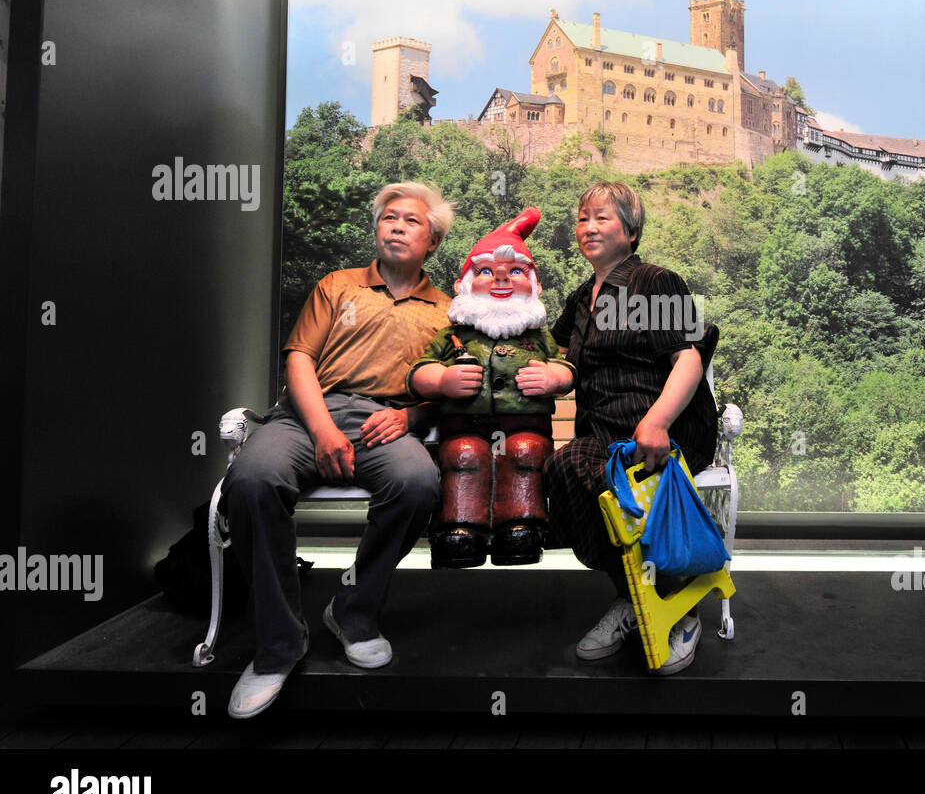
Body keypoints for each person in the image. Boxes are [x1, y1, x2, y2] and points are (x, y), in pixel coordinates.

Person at [222, 181, 454, 719]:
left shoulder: (447, 310)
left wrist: (410, 416)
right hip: (308, 415)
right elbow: (299, 358)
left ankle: (353, 610)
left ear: (434, 241)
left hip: (387, 422)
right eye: (388, 217)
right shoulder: (338, 285)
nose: (396, 226)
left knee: (418, 484)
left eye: (411, 221)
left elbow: (443, 391)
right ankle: (278, 644)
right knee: (253, 480)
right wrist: (324, 429)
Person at [544, 181, 717, 676]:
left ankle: (677, 604)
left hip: (663, 429)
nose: (588, 227)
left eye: (602, 218)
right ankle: (632, 595)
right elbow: (556, 359)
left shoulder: (656, 282)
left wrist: (658, 420)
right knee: (563, 469)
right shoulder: (581, 300)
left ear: (632, 231)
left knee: (610, 482)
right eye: (582, 218)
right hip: (603, 435)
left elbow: (687, 357)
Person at [408, 208, 575, 568]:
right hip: (464, 427)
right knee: (464, 455)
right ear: (463, 284)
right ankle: (460, 528)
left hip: (526, 426)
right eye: (486, 272)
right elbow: (419, 371)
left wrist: (555, 378)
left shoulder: (538, 336)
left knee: (526, 452)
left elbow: (566, 367)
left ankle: (522, 526)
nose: (501, 280)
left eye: (516, 272)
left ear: (535, 286)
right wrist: (441, 380)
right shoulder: (451, 335)